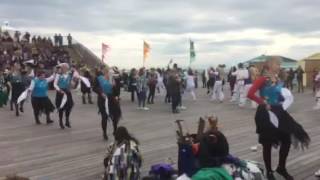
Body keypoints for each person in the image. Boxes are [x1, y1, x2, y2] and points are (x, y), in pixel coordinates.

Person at [248, 57, 310, 180]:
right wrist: (264, 103)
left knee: (287, 139)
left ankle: (281, 168)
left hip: (279, 112)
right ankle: (269, 171)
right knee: (267, 143)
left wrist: (285, 99)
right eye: (278, 64)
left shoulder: (277, 79)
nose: (279, 66)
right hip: (265, 113)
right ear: (270, 65)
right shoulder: (262, 79)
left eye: (280, 64)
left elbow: (278, 95)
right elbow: (250, 94)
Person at [93, 66, 122, 140]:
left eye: (112, 73)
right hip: (102, 99)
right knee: (104, 117)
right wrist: (101, 93)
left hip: (112, 99)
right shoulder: (99, 78)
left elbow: (117, 92)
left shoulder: (113, 80)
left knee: (115, 116)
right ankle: (104, 133)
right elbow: (94, 88)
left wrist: (115, 86)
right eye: (110, 72)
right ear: (105, 72)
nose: (111, 74)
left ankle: (115, 130)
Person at [53, 63, 78, 129]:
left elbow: (71, 85)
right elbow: (55, 84)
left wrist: (74, 83)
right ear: (62, 68)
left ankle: (67, 120)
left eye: (66, 68)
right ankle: (60, 121)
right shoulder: (58, 75)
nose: (65, 69)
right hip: (60, 92)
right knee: (61, 107)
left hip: (67, 92)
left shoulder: (69, 75)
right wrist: (59, 90)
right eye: (64, 68)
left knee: (69, 106)